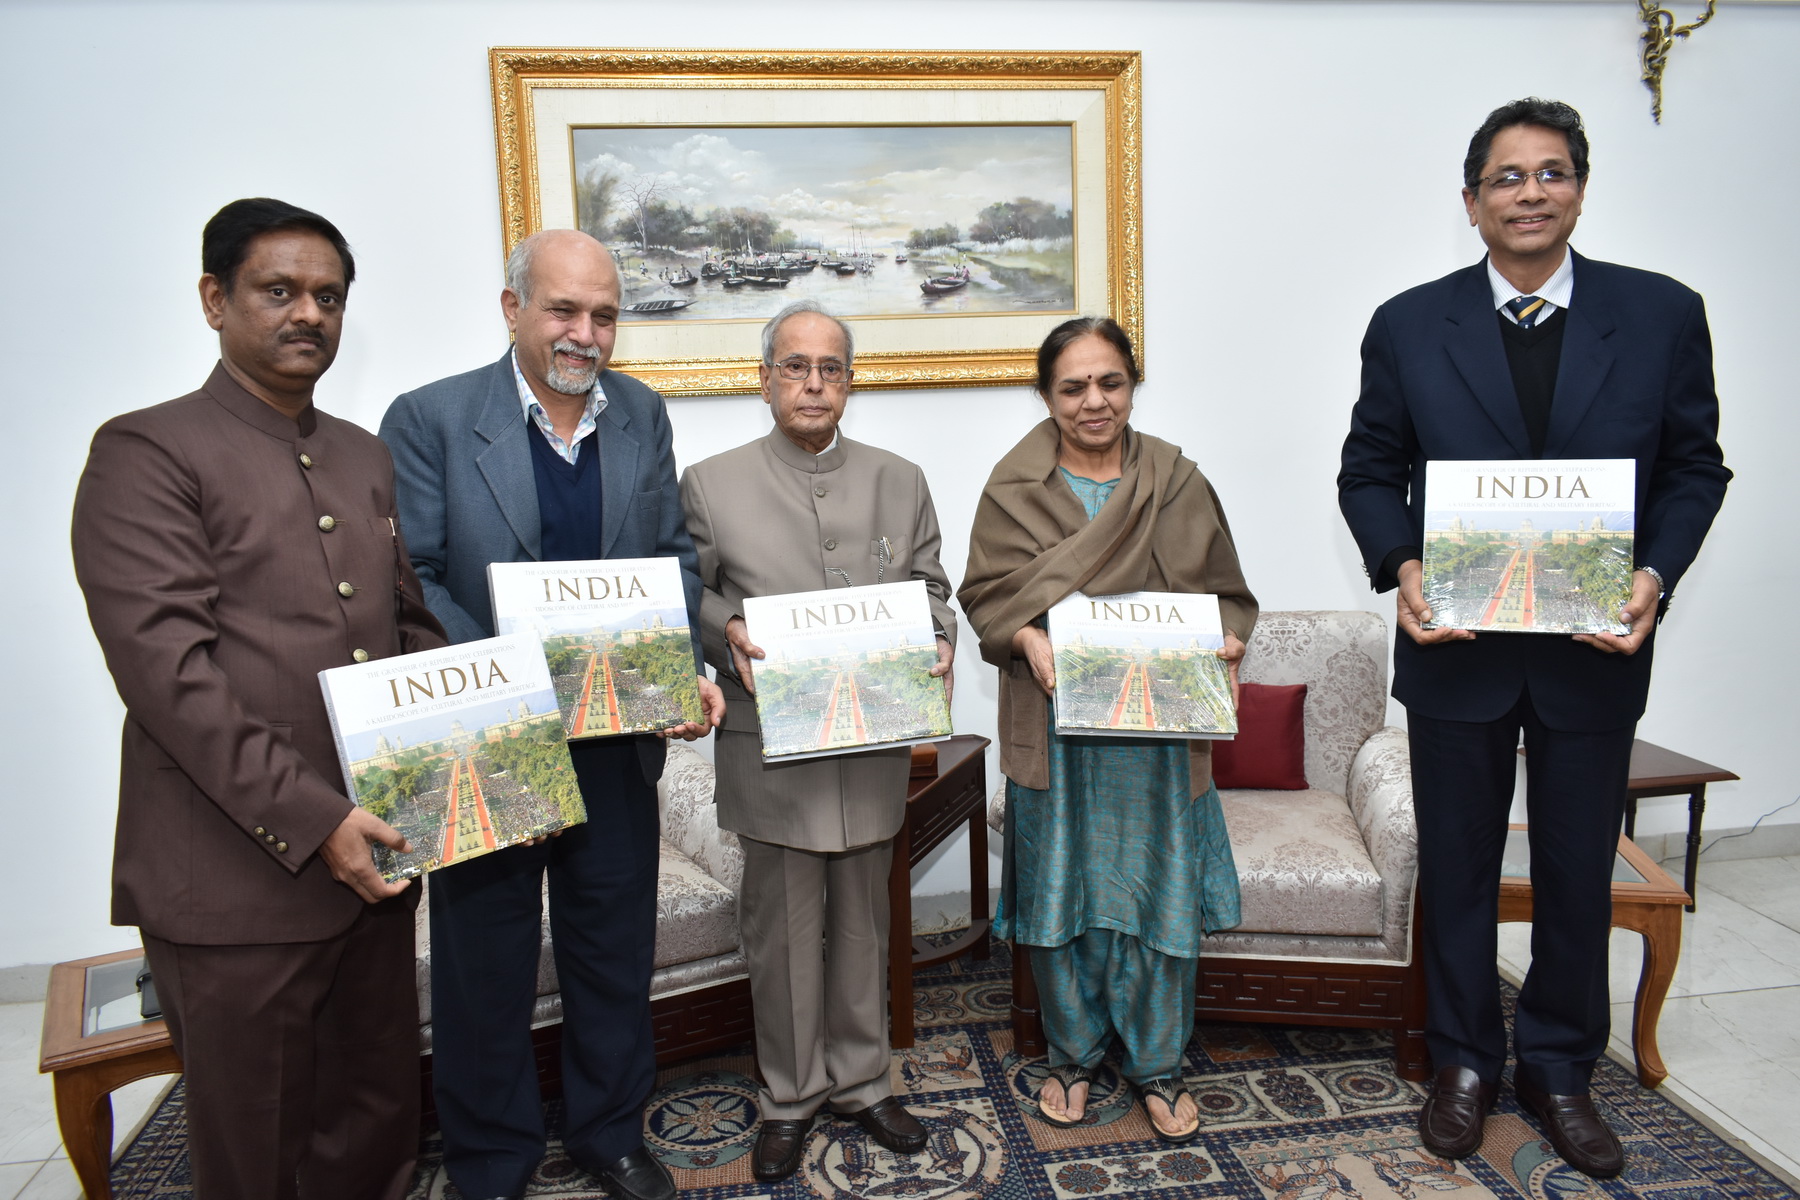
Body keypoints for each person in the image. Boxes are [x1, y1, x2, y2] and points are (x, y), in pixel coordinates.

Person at [1337, 98, 1729, 1178]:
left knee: (1573, 875)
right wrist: (1405, 570)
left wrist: (1652, 578)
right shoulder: (1409, 323)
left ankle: (1559, 1069)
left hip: (1593, 654)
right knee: (1455, 869)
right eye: (1507, 178)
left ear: (1580, 190)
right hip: (1457, 652)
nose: (1530, 193)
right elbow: (1370, 471)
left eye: (1551, 173)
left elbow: (1697, 467)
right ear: (1472, 203)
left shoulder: (1660, 314)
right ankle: (1464, 1062)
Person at [70, 197, 446, 1199]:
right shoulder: (146, 452)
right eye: (278, 291)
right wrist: (319, 820)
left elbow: (406, 628)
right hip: (235, 876)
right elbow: (168, 675)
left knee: (376, 1120)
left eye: (327, 297)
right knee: (259, 1147)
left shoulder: (364, 453)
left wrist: (476, 745)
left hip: (377, 857)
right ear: (214, 298)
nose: (307, 315)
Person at [379, 228, 724, 1200]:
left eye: (603, 314)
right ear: (512, 309)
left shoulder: (643, 416)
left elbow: (671, 563)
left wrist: (685, 664)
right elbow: (415, 582)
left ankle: (610, 1134)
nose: (585, 332)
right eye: (564, 310)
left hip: (614, 742)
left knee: (612, 950)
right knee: (481, 962)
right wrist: (515, 681)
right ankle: (492, 1160)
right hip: (489, 739)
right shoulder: (430, 420)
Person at [958, 316, 1255, 1143]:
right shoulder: (1013, 487)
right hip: (1056, 730)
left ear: (1132, 383)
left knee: (1158, 892)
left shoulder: (1177, 479)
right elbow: (984, 600)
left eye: (1111, 382)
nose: (1095, 402)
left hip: (1160, 737)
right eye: (1073, 387)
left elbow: (1229, 594)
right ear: (1046, 395)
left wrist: (1226, 641)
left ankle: (1158, 1065)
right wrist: (1025, 637)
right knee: (1065, 895)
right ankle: (1072, 1055)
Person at [678, 300, 957, 1182]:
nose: (812, 383)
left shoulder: (899, 478)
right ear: (764, 380)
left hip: (870, 746)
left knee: (866, 922)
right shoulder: (710, 482)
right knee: (783, 932)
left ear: (849, 381)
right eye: (794, 367)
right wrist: (725, 630)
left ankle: (864, 1081)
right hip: (771, 747)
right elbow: (689, 598)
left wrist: (940, 637)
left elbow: (931, 587)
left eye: (829, 368)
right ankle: (791, 1095)